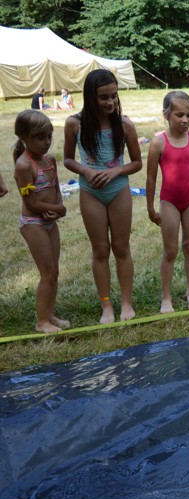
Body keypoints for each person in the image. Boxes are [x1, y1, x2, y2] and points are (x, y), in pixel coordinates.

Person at [64, 69, 143, 324]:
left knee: (121, 247)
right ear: (90, 97)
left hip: (118, 191)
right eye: (103, 97)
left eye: (114, 96)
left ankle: (127, 303)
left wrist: (115, 171)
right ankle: (106, 305)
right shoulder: (74, 124)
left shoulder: (124, 124)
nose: (110, 102)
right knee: (100, 250)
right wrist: (86, 170)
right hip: (90, 193)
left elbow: (137, 162)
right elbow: (67, 159)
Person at [146, 91, 189, 313]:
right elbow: (151, 177)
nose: (185, 120)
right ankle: (166, 297)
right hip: (169, 201)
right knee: (170, 250)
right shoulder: (158, 143)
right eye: (180, 115)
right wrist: (150, 208)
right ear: (167, 115)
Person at [12, 110, 69, 332]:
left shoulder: (49, 160)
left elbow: (56, 188)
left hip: (49, 223)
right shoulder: (24, 166)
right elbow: (32, 203)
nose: (46, 142)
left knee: (54, 271)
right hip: (33, 224)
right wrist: (58, 209)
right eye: (40, 138)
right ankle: (41, 321)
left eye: (49, 136)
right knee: (47, 273)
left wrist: (59, 207)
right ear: (24, 138)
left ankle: (50, 315)